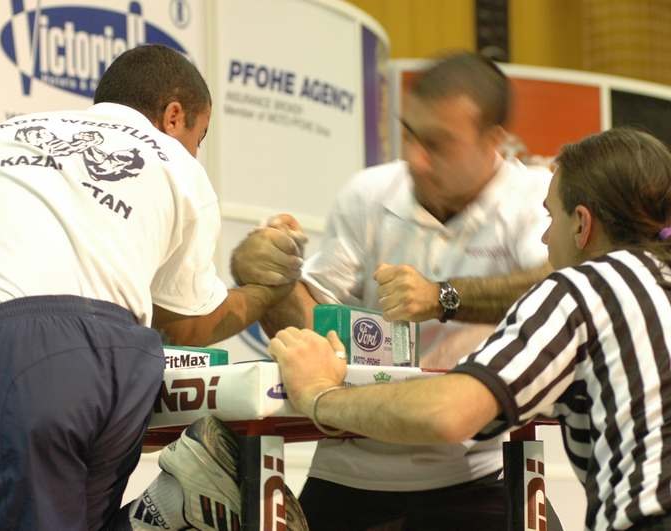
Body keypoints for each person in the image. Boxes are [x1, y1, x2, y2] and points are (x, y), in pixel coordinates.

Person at [0, 43, 302, 531]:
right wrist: (269, 289)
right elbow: (192, 326)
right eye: (201, 135)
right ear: (175, 115)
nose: (196, 149)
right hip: (128, 361)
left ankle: (176, 502)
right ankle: (170, 506)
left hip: (20, 351)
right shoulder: (179, 166)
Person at [268, 127, 671, 531]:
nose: (546, 238)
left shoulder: (584, 287)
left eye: (551, 218)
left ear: (582, 225)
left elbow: (448, 415)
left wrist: (319, 393)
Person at [232, 51, 557, 530]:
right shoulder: (368, 193)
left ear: (493, 142)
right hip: (351, 466)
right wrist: (267, 272)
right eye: (409, 134)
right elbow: (309, 325)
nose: (415, 158)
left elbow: (556, 287)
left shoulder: (533, 194)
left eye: (439, 143)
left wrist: (442, 296)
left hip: (476, 469)